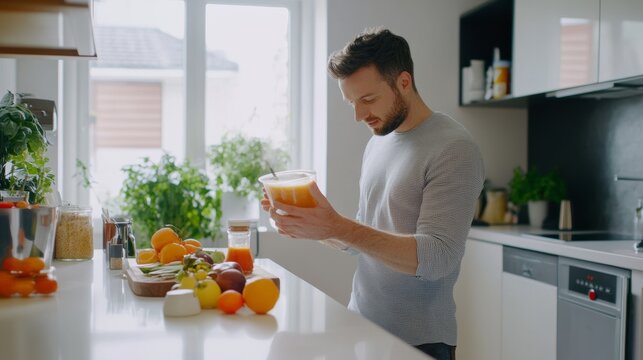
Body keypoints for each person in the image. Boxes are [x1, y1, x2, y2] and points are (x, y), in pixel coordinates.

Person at [261, 27, 484, 360]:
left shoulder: (454, 148)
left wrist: (337, 227)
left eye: (367, 99)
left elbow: (438, 258)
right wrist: (317, 226)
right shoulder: (378, 141)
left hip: (419, 342)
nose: (358, 115)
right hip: (361, 328)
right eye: (351, 102)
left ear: (404, 82)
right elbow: (366, 239)